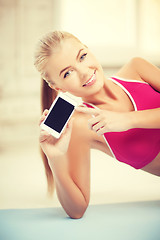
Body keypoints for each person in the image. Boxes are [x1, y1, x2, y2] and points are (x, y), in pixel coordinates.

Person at [34, 31, 160, 219]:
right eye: (68, 73)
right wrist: (55, 158)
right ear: (59, 88)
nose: (84, 72)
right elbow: (77, 210)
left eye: (82, 57)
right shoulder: (81, 125)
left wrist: (127, 120)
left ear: (89, 50)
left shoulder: (137, 70)